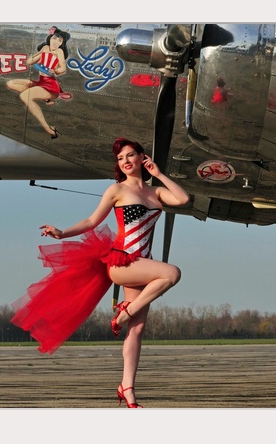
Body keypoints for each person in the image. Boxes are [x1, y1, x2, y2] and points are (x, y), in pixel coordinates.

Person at [10, 137, 190, 408]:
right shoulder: (116, 190)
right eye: (120, 159)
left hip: (143, 264)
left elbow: (184, 198)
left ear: (142, 157)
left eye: (130, 155)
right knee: (172, 273)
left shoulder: (156, 193)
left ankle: (126, 387)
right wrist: (61, 233)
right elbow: (91, 221)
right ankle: (124, 312)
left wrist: (159, 174)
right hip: (122, 262)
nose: (126, 162)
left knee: (138, 329)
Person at [7, 26, 71, 139]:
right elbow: (29, 62)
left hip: (51, 85)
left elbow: (63, 69)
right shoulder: (45, 48)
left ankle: (49, 129)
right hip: (41, 82)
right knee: (10, 84)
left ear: (62, 44)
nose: (56, 42)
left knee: (25, 96)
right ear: (50, 38)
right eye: (55, 38)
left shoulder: (59, 52)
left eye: (59, 41)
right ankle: (45, 98)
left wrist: (55, 70)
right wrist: (40, 54)